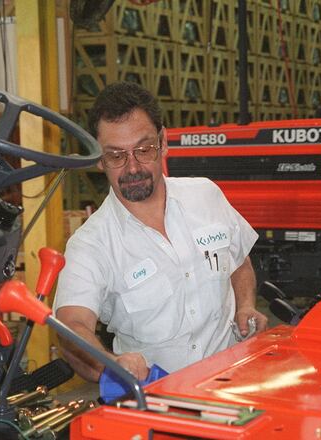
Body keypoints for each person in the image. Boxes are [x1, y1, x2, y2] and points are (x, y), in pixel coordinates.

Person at [53, 82, 267, 382]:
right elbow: (72, 327)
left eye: (144, 150)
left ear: (163, 142)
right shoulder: (91, 244)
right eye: (116, 155)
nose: (132, 168)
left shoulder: (206, 196)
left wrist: (245, 306)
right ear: (99, 159)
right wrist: (113, 366)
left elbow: (239, 262)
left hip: (233, 384)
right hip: (157, 403)